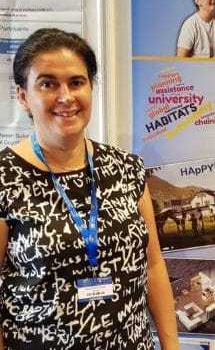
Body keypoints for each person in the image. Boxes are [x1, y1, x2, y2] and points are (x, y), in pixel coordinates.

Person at [0, 29, 180, 350]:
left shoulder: (126, 169)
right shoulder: (5, 177)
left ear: (90, 88)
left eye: (76, 82)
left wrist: (171, 347)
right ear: (23, 97)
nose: (66, 96)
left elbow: (153, 266)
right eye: (48, 84)